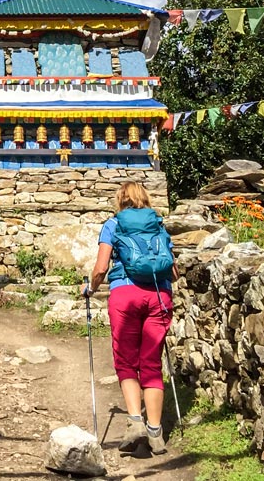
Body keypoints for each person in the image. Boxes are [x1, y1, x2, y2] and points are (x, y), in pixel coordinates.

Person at [82, 180, 177, 456]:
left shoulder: (113, 225)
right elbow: (173, 271)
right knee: (151, 364)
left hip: (125, 294)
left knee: (126, 362)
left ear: (120, 199)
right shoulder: (158, 226)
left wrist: (90, 288)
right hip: (159, 296)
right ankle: (156, 434)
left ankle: (136, 421)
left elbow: (101, 268)